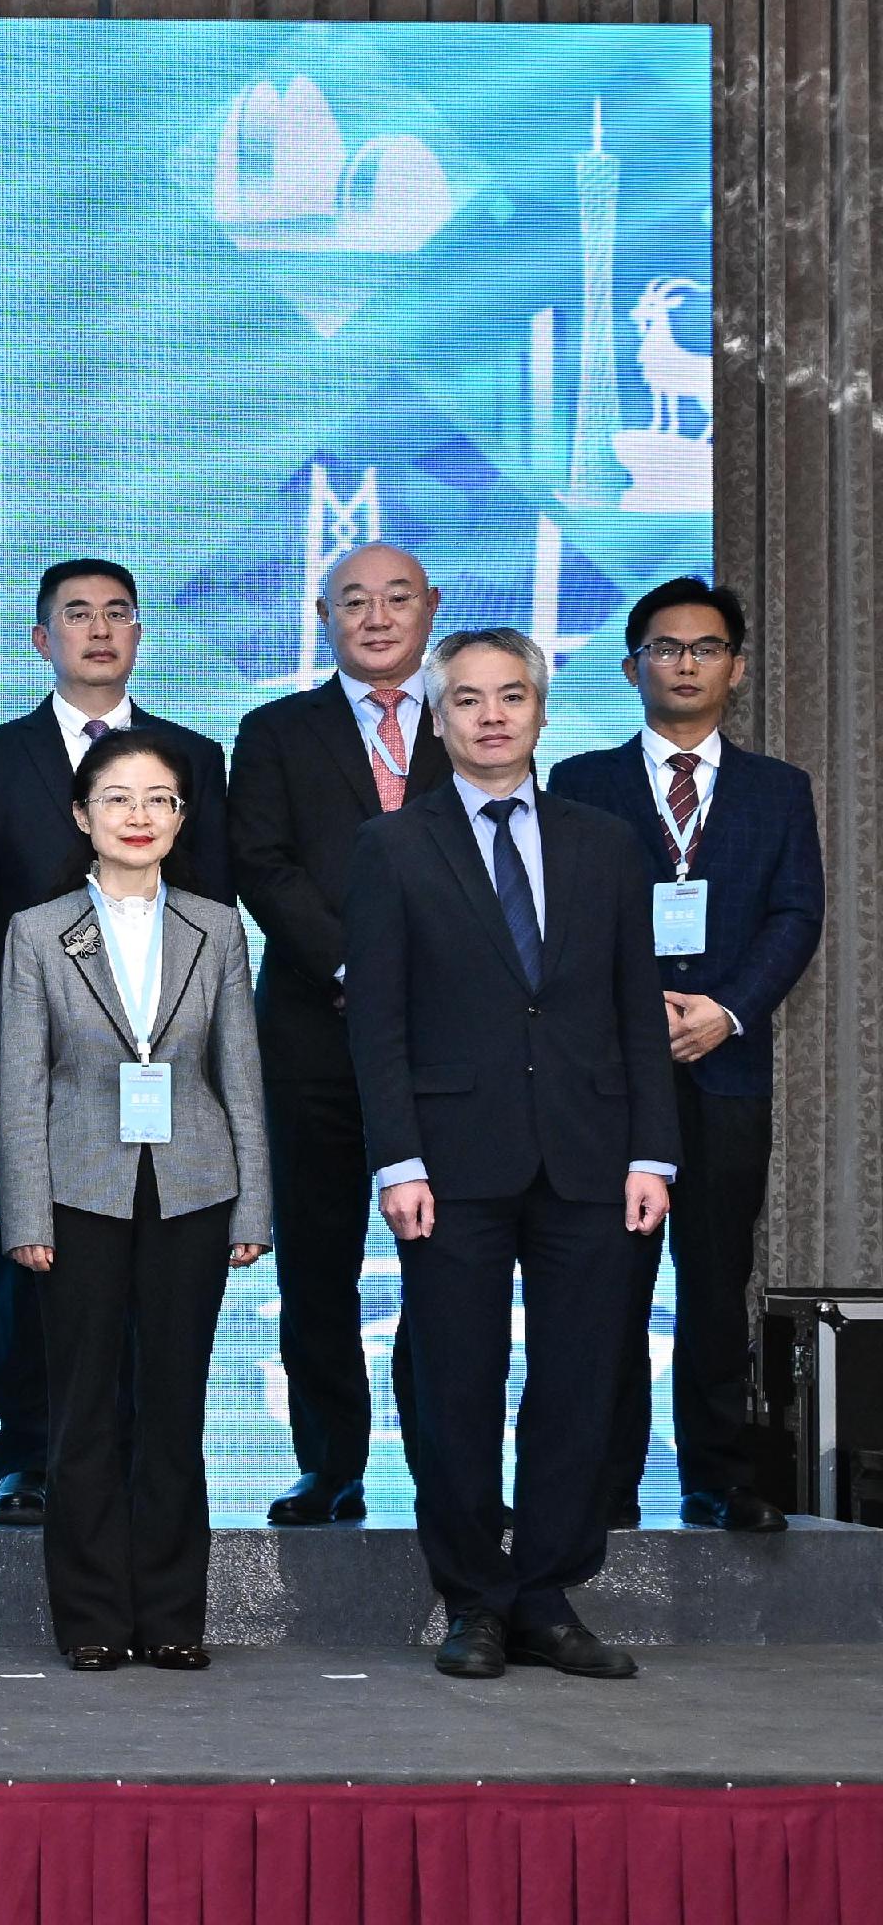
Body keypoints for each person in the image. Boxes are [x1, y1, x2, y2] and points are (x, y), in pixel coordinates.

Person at [348, 626, 677, 1680]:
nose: (491, 714)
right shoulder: (392, 845)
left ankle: (545, 1592)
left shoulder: (604, 841)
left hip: (592, 1155)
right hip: (448, 1163)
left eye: (510, 696)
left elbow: (636, 1008)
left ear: (540, 711)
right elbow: (378, 1023)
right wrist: (396, 1160)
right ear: (435, 720)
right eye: (467, 700)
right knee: (454, 1384)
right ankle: (472, 1599)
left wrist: (653, 1155)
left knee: (582, 1380)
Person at [0, 559, 233, 1529]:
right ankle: (28, 1454)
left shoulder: (192, 755)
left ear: (139, 632)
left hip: (166, 1065)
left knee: (153, 1270)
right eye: (76, 614)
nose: (99, 628)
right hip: (45, 1057)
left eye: (118, 611)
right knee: (34, 1256)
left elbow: (214, 913)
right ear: (41, 638)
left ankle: (132, 1461)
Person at [0, 731, 270, 1672]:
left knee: (172, 1408)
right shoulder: (36, 930)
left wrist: (253, 1207)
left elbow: (242, 1073)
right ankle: (92, 1619)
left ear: (184, 817)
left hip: (194, 1188)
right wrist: (25, 1216)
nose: (140, 817)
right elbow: (24, 1087)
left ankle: (172, 1616)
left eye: (161, 800)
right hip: (77, 1192)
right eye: (118, 799)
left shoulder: (217, 925)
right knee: (82, 1412)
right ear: (83, 816)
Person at [550, 580, 823, 1533]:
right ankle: (605, 1484)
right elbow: (559, 921)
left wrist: (729, 1011)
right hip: (609, 1075)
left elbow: (797, 914)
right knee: (607, 1287)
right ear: (633, 667)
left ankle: (716, 1478)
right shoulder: (579, 784)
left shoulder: (780, 790)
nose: (685, 664)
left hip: (727, 1068)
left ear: (736, 669)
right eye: (665, 649)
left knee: (714, 1280)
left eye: (706, 649)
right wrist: (633, 1014)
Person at [225, 541, 438, 1526]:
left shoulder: (476, 720)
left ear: (430, 608)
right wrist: (353, 963)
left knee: (448, 1263)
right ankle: (330, 1463)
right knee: (318, 1262)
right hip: (314, 1032)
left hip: (448, 1040)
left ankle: (445, 1458)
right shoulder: (275, 729)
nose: (378, 615)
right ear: (323, 615)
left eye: (397, 597)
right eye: (354, 600)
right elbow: (260, 866)